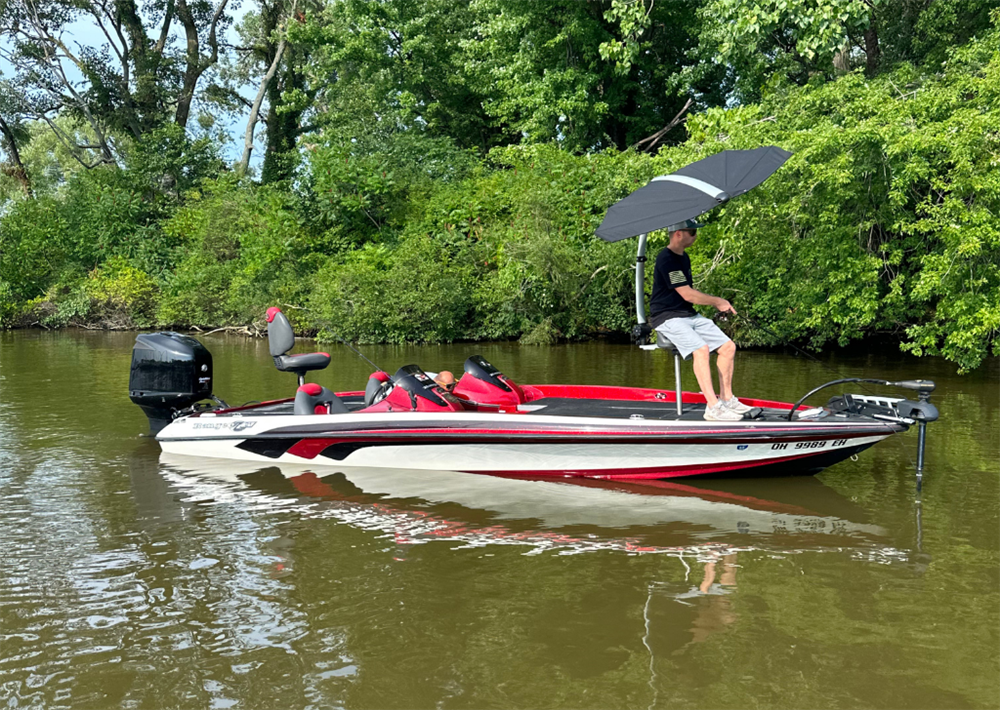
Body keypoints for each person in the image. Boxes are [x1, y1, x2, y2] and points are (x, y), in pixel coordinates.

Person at [649, 219, 751, 422]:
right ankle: (713, 408)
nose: (696, 236)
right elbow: (688, 294)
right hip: (666, 316)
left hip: (687, 314)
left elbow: (688, 298)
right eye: (693, 232)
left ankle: (727, 399)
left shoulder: (683, 258)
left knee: (728, 347)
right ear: (679, 233)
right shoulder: (666, 259)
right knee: (701, 349)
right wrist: (718, 302)